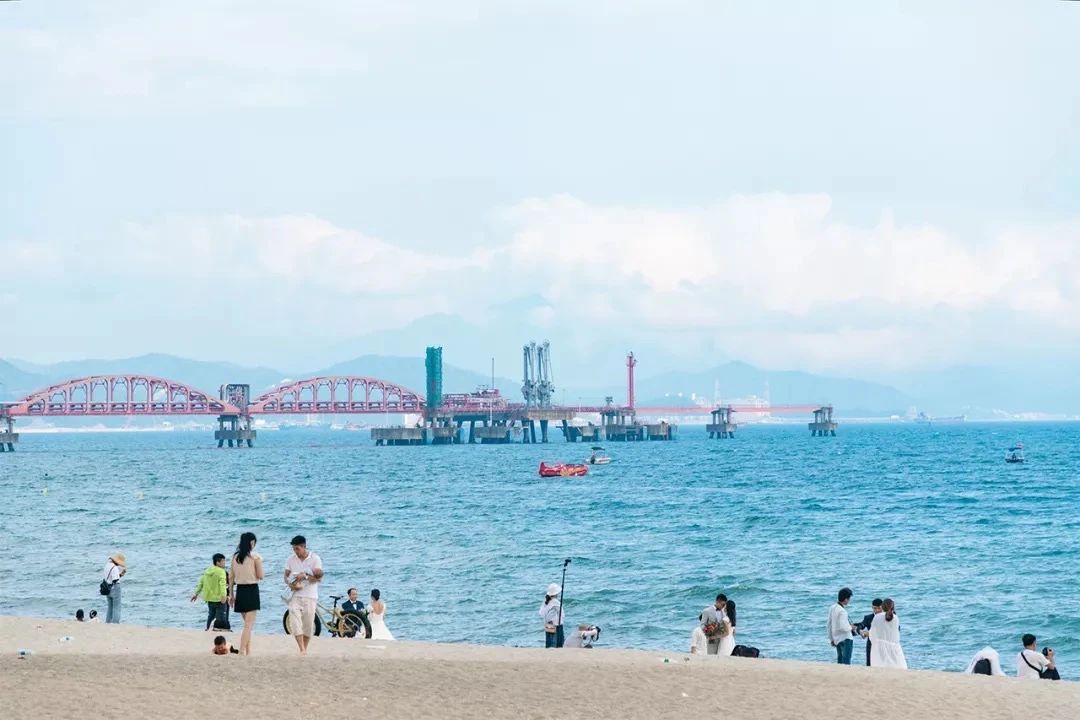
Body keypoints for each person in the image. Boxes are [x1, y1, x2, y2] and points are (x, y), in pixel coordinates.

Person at [284, 535, 324, 655]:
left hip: (310, 595)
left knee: (308, 625)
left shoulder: (315, 559)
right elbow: (285, 576)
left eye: (297, 549)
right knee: (295, 623)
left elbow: (318, 579)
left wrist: (305, 576)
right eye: (293, 549)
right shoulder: (291, 559)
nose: (295, 551)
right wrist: (290, 585)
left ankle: (304, 649)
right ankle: (301, 649)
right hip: (295, 595)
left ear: (304, 546)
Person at [228, 532, 263, 656]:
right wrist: (259, 563)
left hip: (240, 592)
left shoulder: (235, 557)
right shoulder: (255, 557)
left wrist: (231, 595)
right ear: (251, 542)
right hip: (252, 590)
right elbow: (260, 576)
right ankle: (242, 651)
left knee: (246, 626)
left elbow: (231, 578)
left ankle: (248, 651)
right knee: (248, 626)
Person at [191, 553, 229, 631]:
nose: (224, 563)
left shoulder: (207, 570)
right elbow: (222, 585)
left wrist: (196, 593)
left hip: (209, 599)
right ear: (218, 562)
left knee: (211, 615)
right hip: (219, 599)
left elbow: (201, 583)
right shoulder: (221, 571)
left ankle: (208, 628)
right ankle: (222, 630)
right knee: (221, 616)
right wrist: (224, 596)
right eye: (223, 561)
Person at [869, 598, 907, 669]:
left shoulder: (877, 617)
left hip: (879, 647)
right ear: (893, 607)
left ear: (882, 607)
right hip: (893, 646)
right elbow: (896, 634)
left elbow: (872, 633)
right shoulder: (896, 618)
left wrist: (875, 642)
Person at [827, 587, 856, 664]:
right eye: (849, 599)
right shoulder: (842, 611)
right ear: (846, 599)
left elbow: (829, 624)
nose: (849, 601)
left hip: (837, 638)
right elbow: (844, 627)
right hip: (846, 638)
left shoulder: (832, 607)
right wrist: (851, 627)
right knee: (846, 661)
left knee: (840, 661)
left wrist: (831, 638)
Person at [857, 598, 883, 666]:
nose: (877, 610)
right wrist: (861, 632)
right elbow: (860, 626)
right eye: (874, 608)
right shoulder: (868, 617)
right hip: (871, 644)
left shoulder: (887, 617)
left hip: (883, 644)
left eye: (879, 608)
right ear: (872, 608)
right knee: (869, 664)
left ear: (882, 607)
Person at [103, 553, 126, 623]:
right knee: (117, 607)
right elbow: (115, 580)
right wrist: (121, 575)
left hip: (107, 587)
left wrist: (119, 575)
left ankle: (108, 622)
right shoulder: (114, 567)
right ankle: (115, 623)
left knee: (110, 607)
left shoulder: (107, 565)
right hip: (115, 588)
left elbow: (110, 578)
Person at [540, 583, 564, 648]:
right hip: (556, 625)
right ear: (556, 593)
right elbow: (562, 614)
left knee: (548, 643)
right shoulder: (556, 602)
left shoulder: (545, 600)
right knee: (557, 644)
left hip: (547, 624)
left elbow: (541, 613)